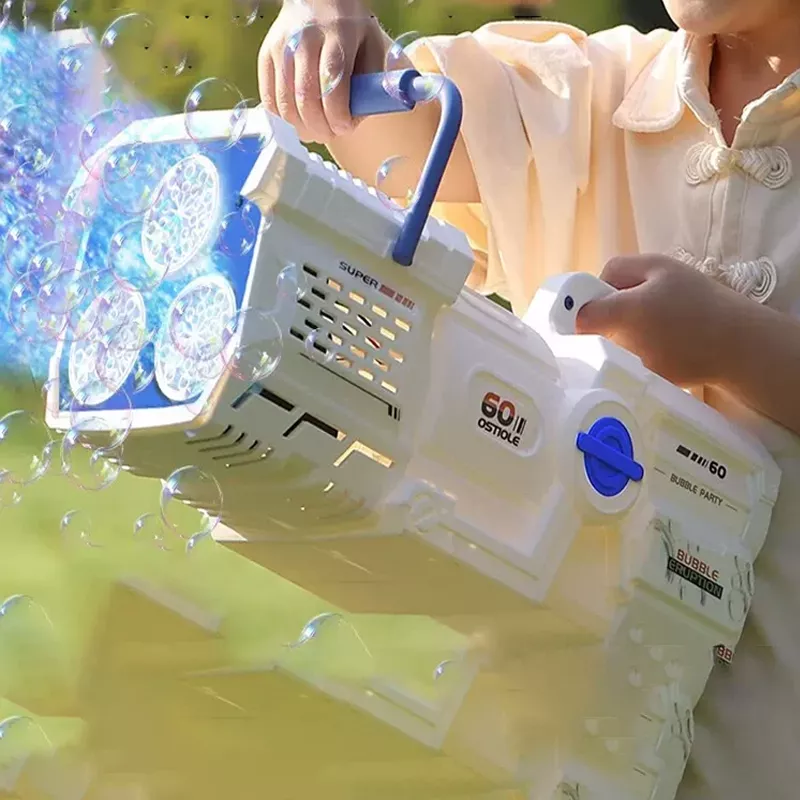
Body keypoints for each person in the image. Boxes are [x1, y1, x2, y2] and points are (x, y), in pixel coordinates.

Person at [258, 1, 800, 798]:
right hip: (548, 762)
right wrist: (324, 14)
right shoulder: (578, 98)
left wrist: (733, 343)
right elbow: (378, 127)